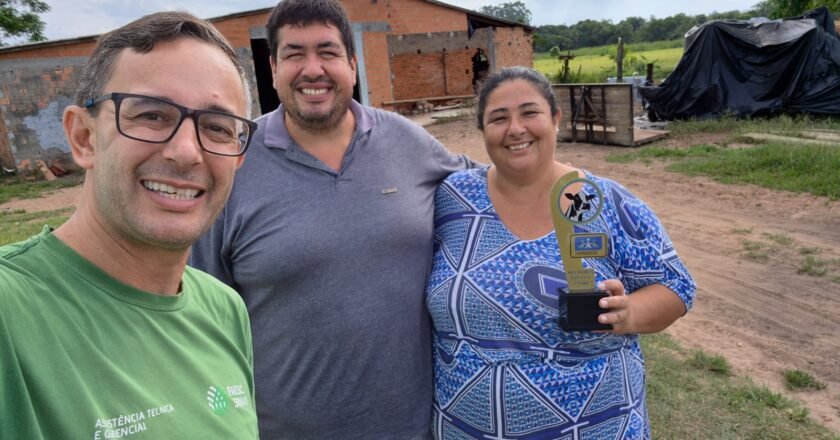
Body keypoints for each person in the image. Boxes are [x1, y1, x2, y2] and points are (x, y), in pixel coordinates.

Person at [189, 0, 475, 437]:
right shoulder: (234, 165)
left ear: (352, 65)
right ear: (273, 68)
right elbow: (201, 315)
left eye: (327, 52)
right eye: (294, 54)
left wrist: (566, 186)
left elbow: (494, 190)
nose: (313, 69)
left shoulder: (407, 142)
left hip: (414, 429)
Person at [0, 12, 259, 439]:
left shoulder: (224, 309)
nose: (186, 152)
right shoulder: (12, 314)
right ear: (84, 138)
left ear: (238, 156)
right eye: (152, 116)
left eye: (216, 128)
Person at [426, 66, 696, 439]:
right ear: (483, 130)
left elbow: (677, 287)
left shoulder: (605, 202)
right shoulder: (452, 199)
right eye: (498, 118)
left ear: (555, 118)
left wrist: (630, 313)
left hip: (595, 428)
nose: (515, 129)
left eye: (529, 113)